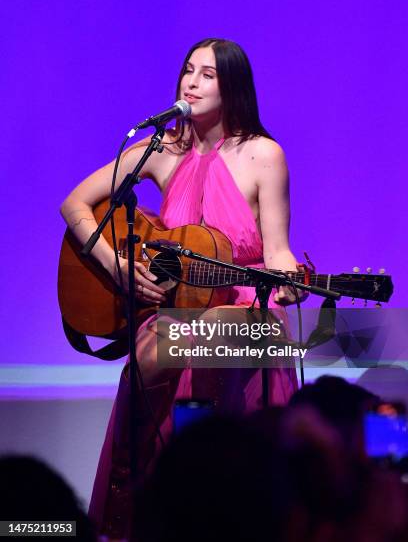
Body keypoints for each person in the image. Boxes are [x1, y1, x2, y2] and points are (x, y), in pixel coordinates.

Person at [60, 38, 303, 538]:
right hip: (177, 309)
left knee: (196, 333)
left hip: (244, 305)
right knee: (157, 348)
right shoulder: (162, 152)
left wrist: (289, 279)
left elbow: (277, 252)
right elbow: (75, 205)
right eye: (188, 71)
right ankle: (144, 494)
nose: (191, 82)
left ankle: (213, 491)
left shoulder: (263, 154)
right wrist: (117, 263)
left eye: (207, 74)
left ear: (232, 85)